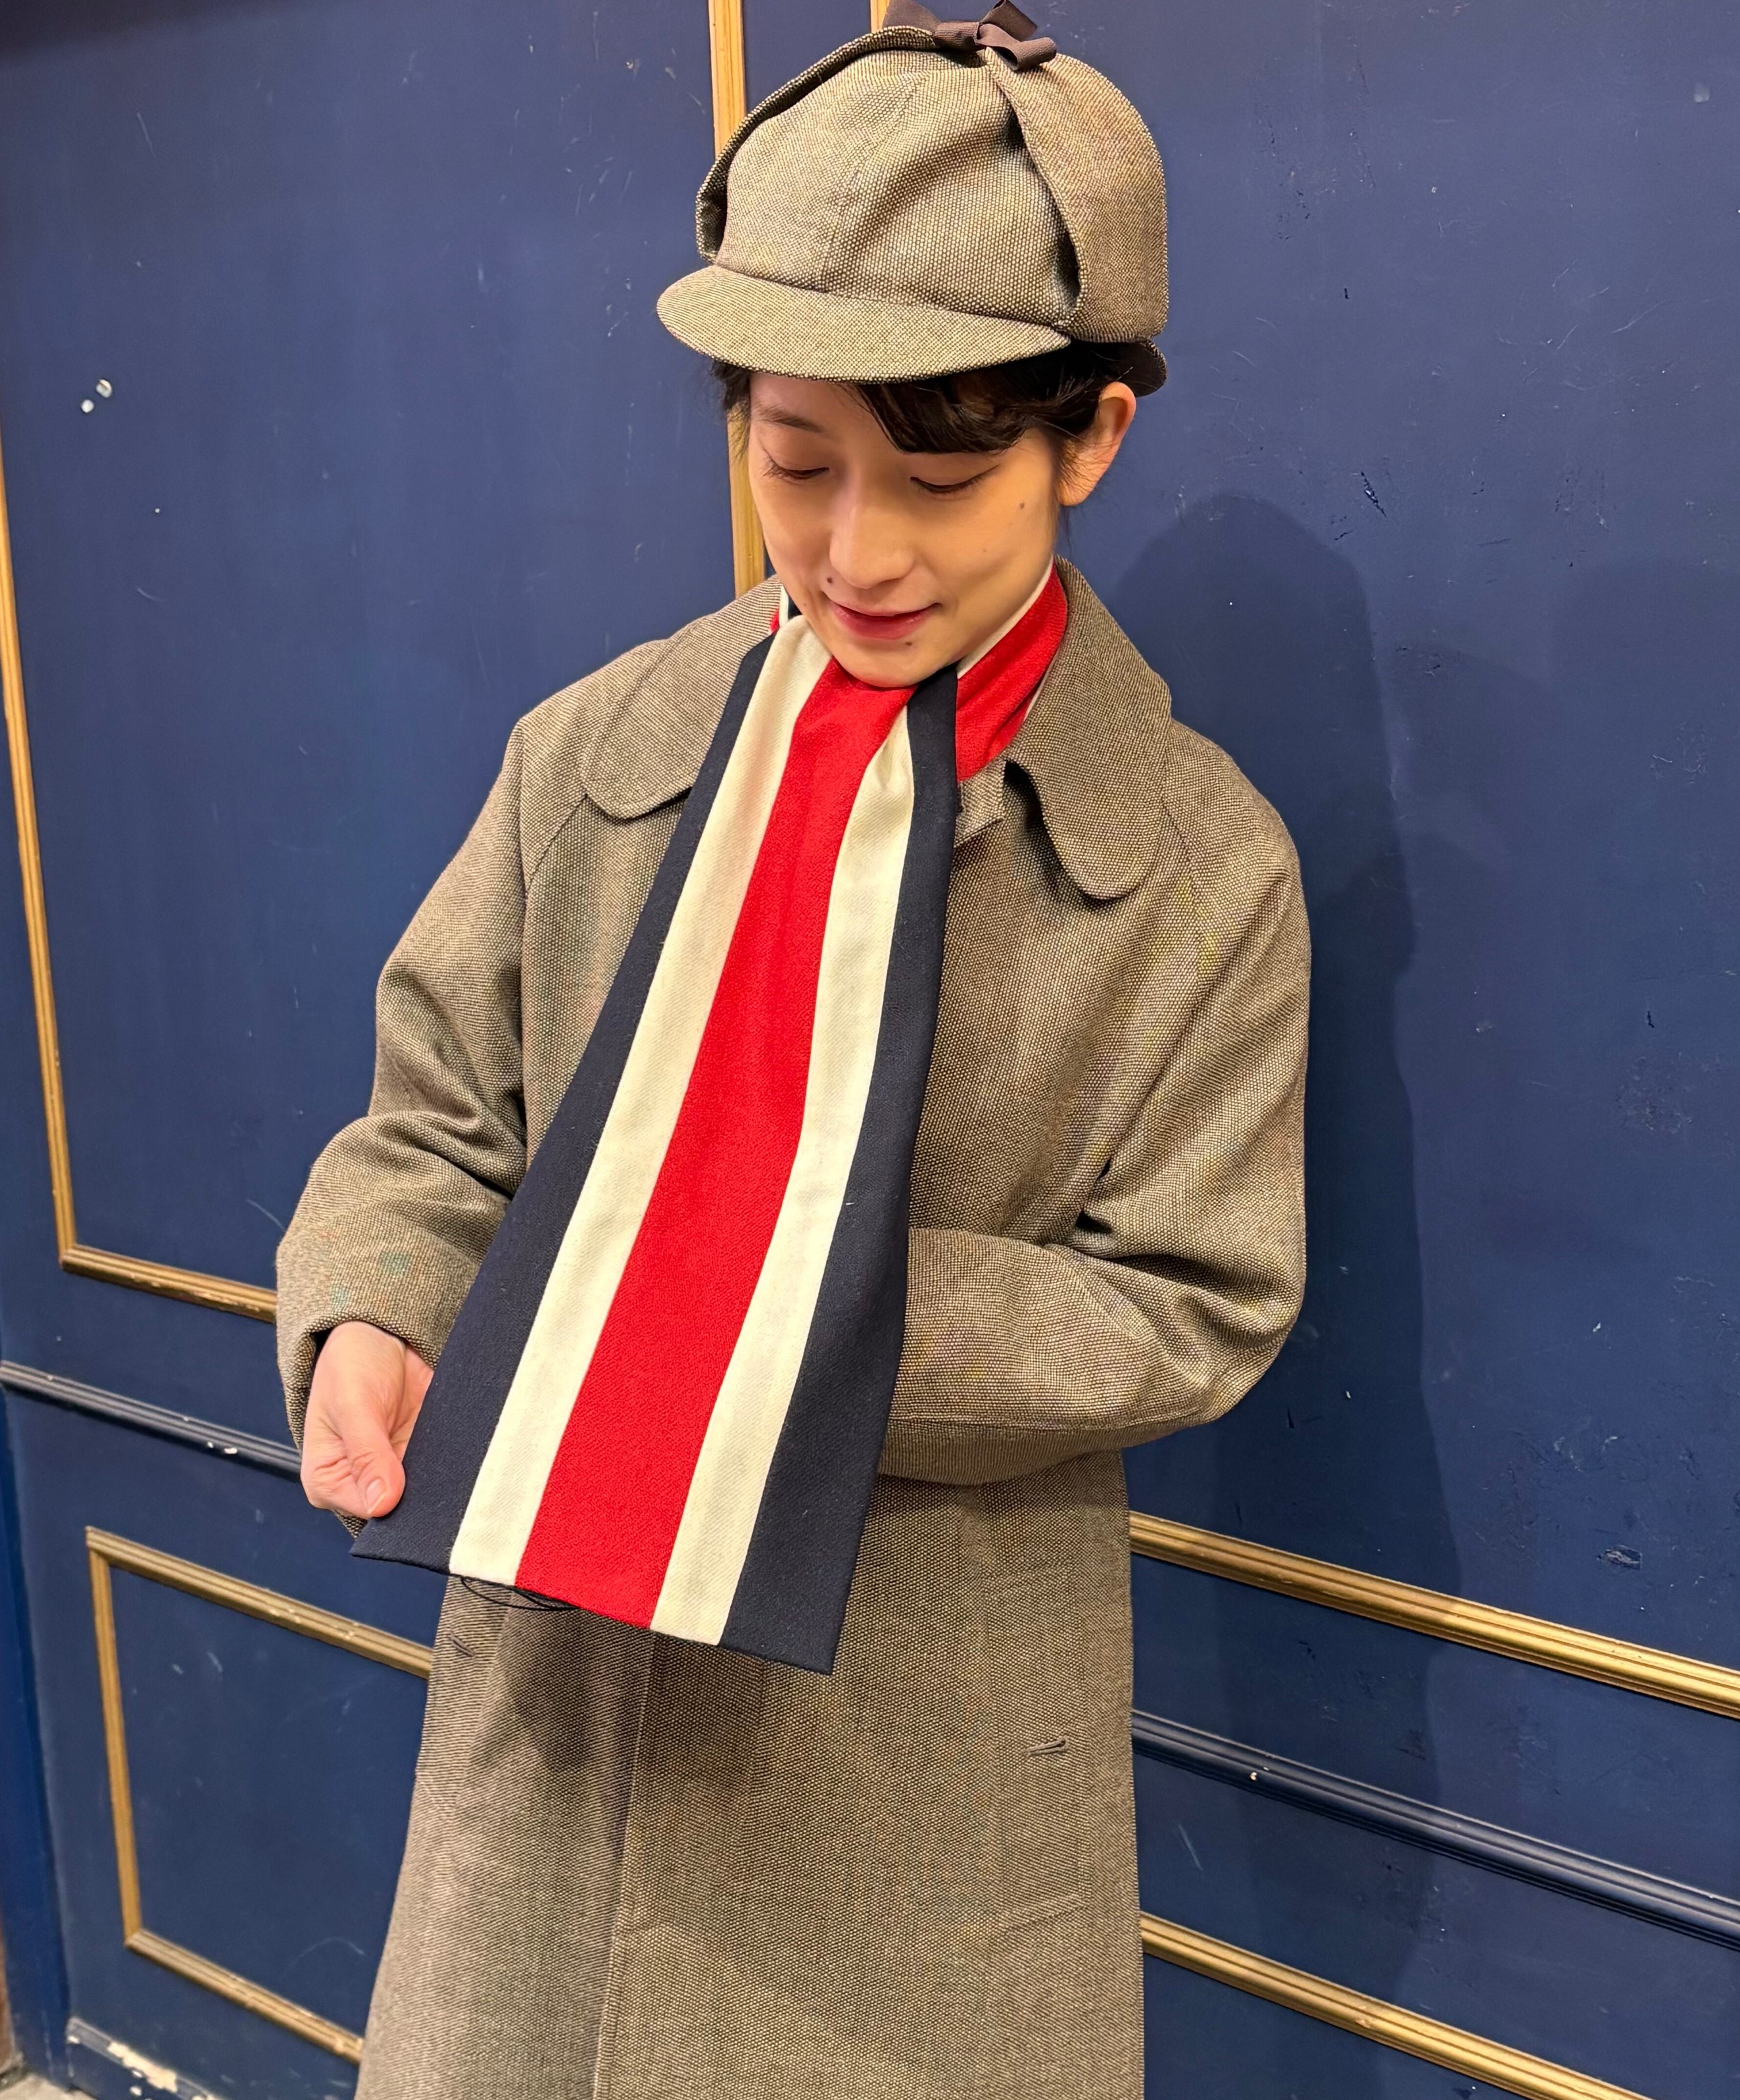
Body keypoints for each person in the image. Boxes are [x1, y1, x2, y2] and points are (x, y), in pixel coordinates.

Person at [276, 7, 1310, 2095]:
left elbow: (1195, 1303)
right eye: (794, 459)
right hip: (559, 1720)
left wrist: (781, 1318)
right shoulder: (600, 754)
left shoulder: (1196, 864)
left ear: (1092, 434)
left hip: (918, 1743)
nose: (856, 553)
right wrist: (371, 1314)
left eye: (940, 476)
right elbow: (433, 1126)